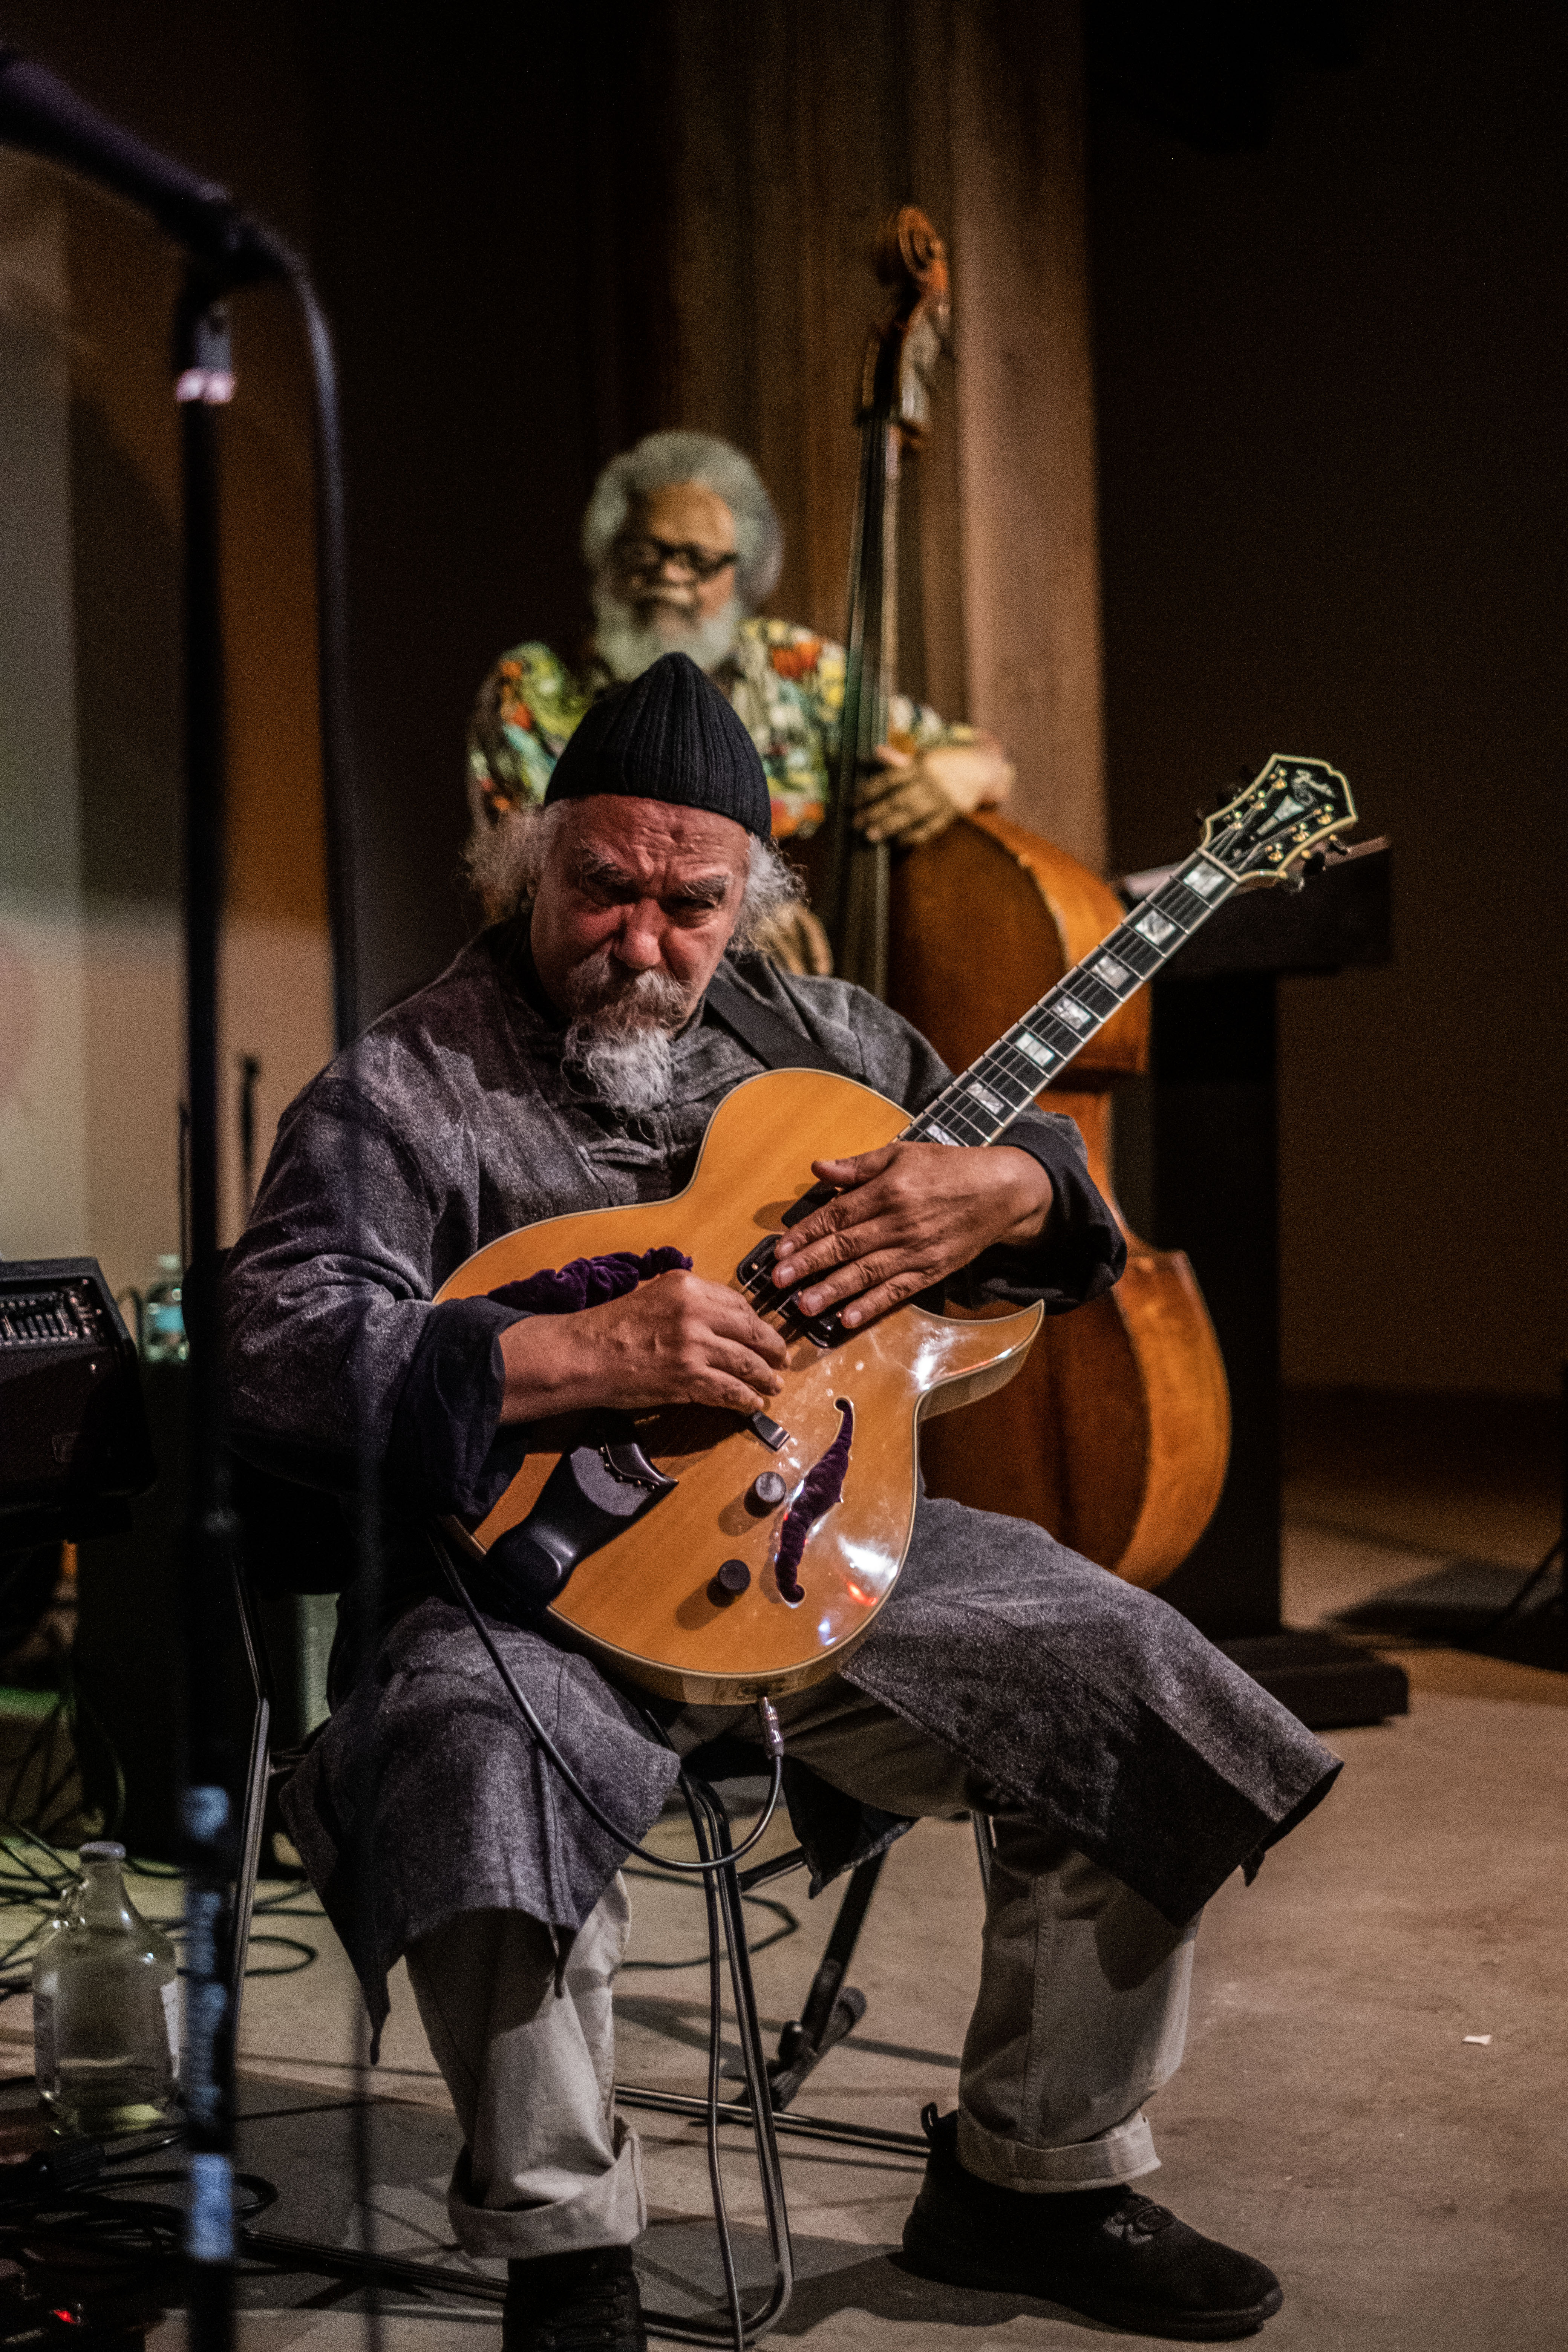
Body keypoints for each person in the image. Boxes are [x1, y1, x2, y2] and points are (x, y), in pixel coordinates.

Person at [222, 653, 1339, 2350]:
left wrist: (1012, 1187)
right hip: (525, 1593)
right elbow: (276, 1342)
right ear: (530, 866)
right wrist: (575, 1353)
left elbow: (1037, 1215)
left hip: (831, 1545)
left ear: (746, 904)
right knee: (464, 1754)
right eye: (602, 889)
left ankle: (1033, 2179)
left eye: (691, 906)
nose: (643, 942)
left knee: (1134, 1681)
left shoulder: (830, 1039)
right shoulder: (407, 1085)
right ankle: (568, 2254)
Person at [463, 430, 1015, 971]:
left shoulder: (796, 666)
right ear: (608, 556)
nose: (669, 576)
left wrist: (964, 770)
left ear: (741, 572)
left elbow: (982, 759)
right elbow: (525, 883)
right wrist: (731, 914)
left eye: (698, 560)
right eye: (643, 552)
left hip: (811, 982)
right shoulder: (531, 685)